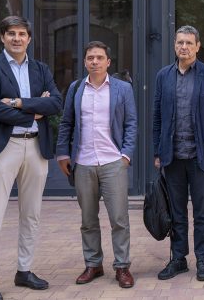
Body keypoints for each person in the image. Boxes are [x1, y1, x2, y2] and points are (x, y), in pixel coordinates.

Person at [0, 16, 62, 300]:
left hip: (36, 148)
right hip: (5, 147)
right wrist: (34, 112)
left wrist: (17, 103)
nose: (17, 38)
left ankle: (24, 271)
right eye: (11, 33)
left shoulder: (41, 69)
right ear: (2, 37)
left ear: (29, 39)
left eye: (22, 34)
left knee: (31, 214)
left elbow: (56, 103)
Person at [56, 41, 138, 289]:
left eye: (99, 58)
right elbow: (66, 122)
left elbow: (131, 124)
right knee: (88, 219)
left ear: (108, 62)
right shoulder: (76, 88)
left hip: (113, 161)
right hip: (83, 162)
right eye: (90, 58)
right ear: (84, 62)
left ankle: (122, 266)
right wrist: (62, 153)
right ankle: (93, 264)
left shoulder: (123, 89)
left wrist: (126, 155)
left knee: (119, 219)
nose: (95, 61)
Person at [153, 25, 204, 282]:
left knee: (202, 212)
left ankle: (203, 258)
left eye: (188, 43)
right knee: (176, 210)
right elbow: (157, 117)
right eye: (180, 42)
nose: (184, 47)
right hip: (172, 156)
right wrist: (157, 151)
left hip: (201, 157)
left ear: (197, 46)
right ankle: (178, 258)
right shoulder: (163, 76)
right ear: (175, 45)